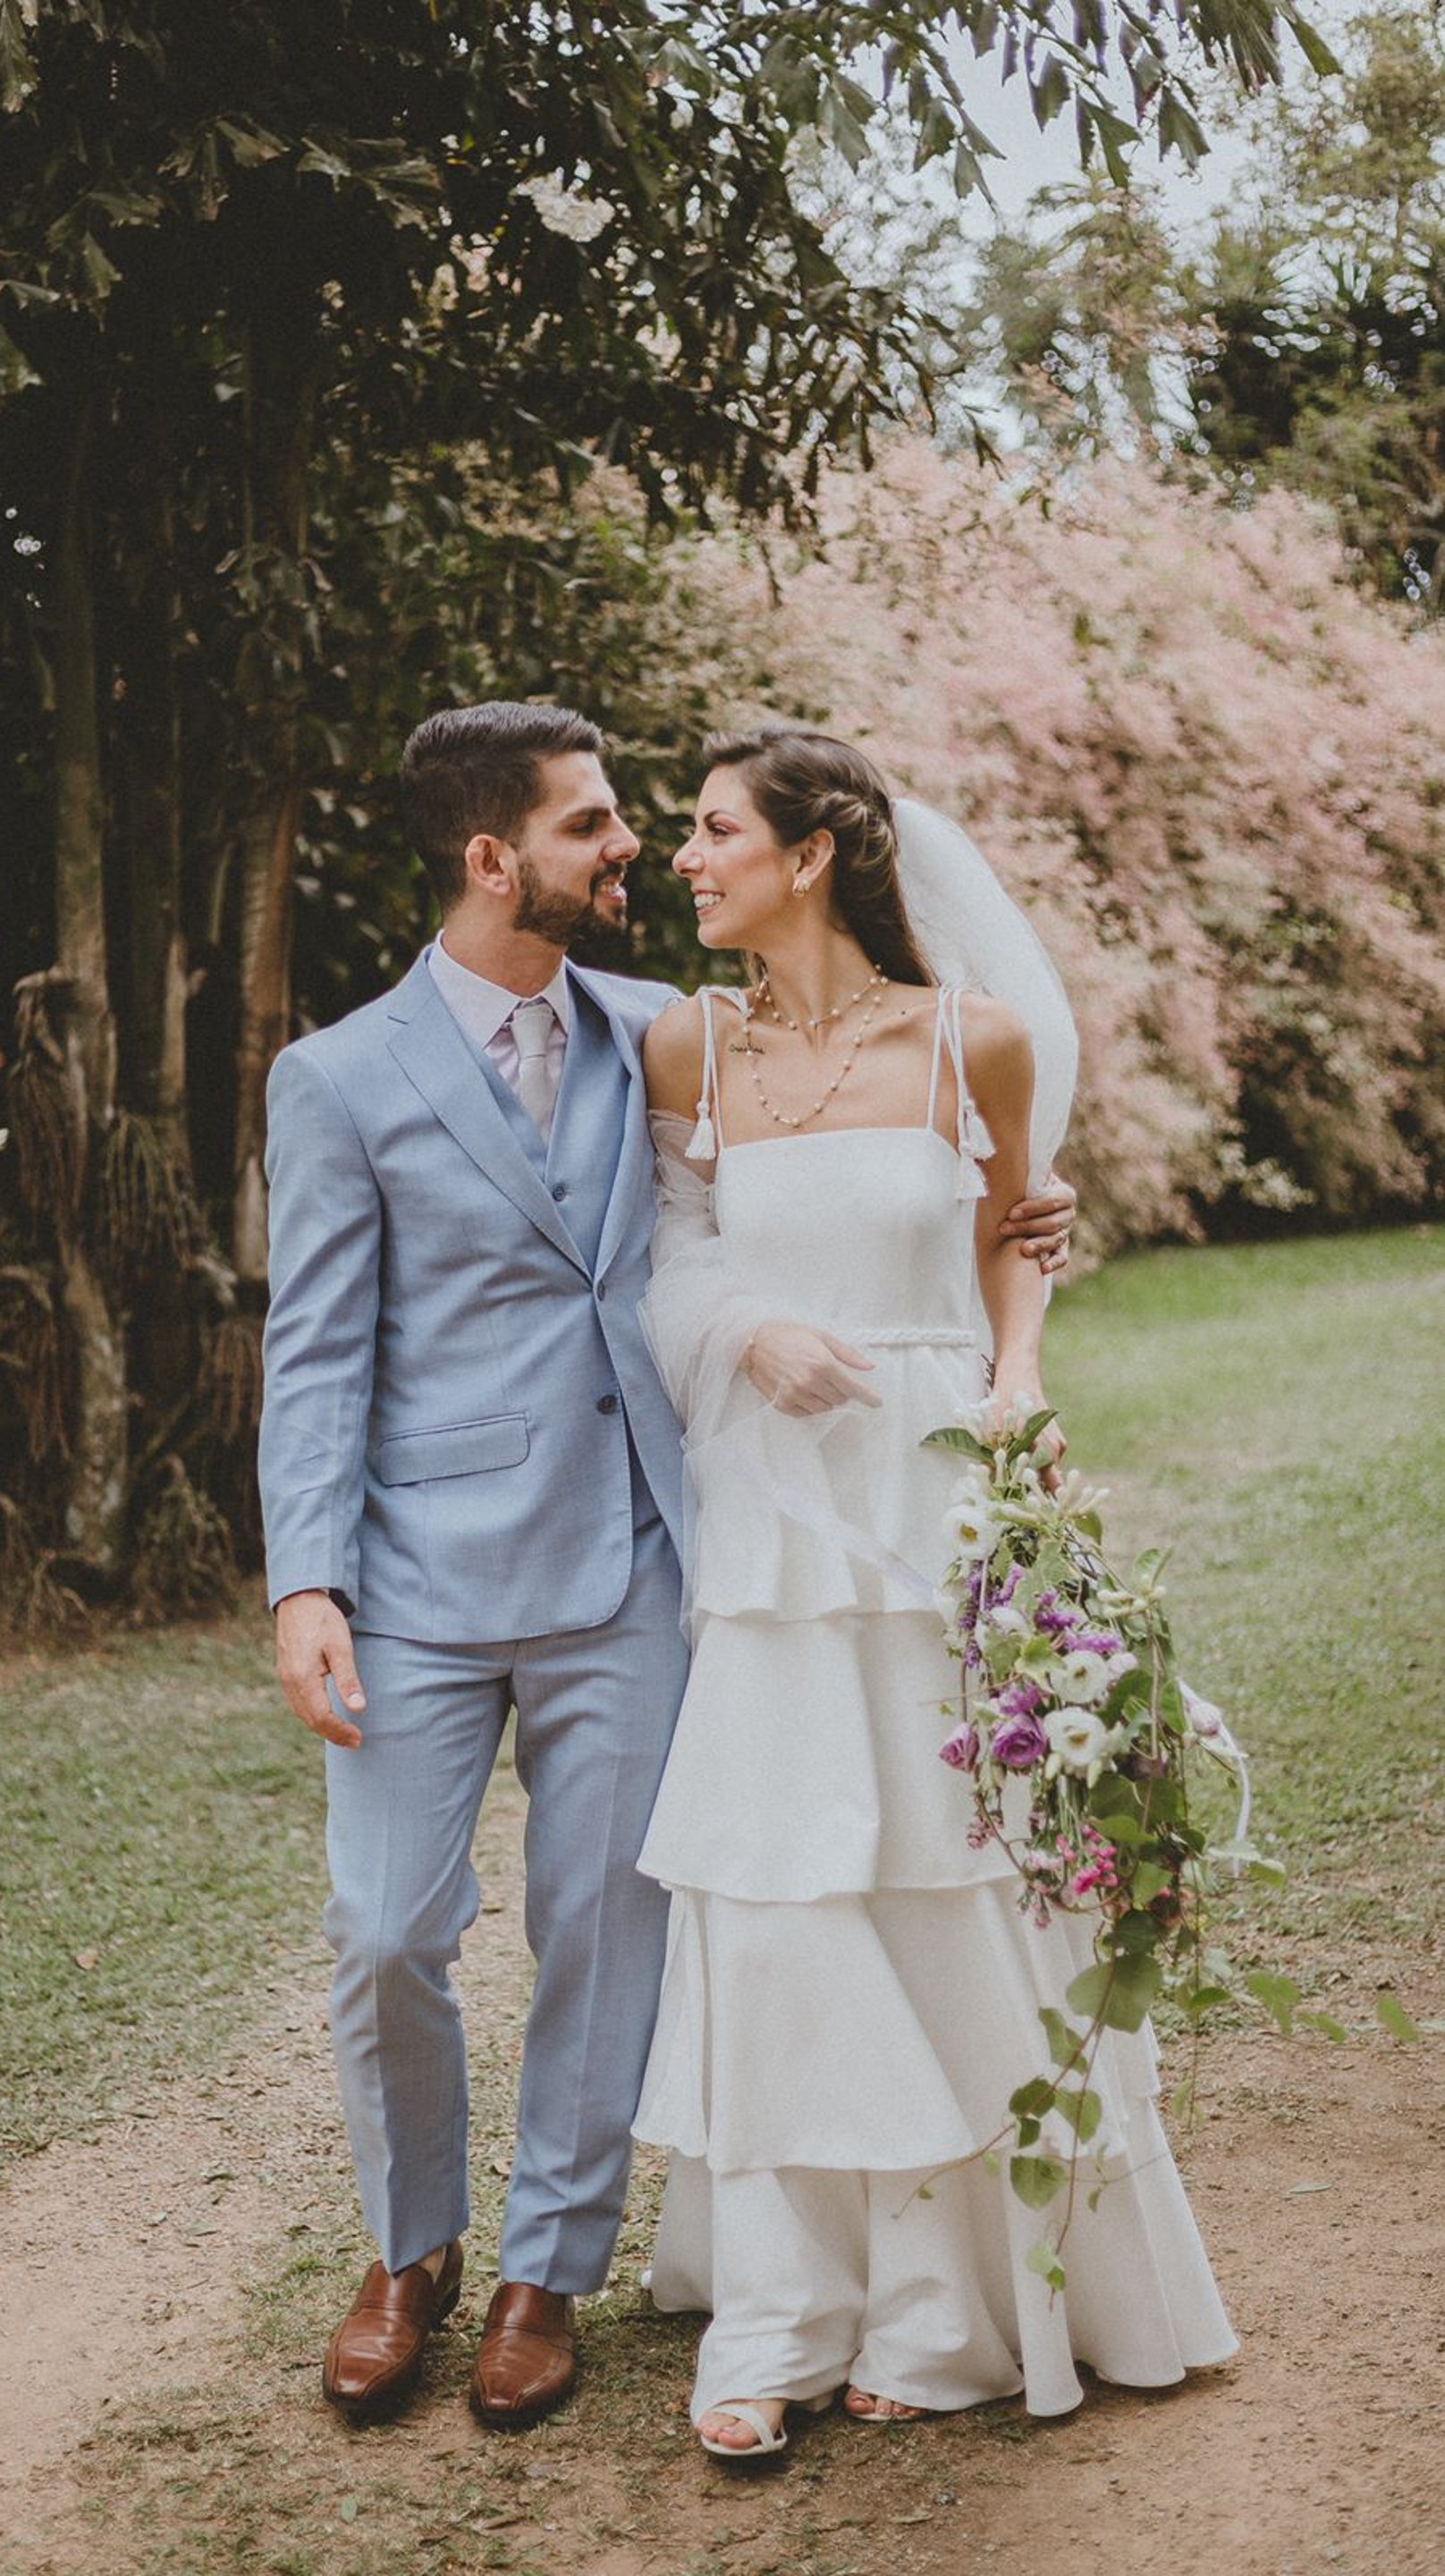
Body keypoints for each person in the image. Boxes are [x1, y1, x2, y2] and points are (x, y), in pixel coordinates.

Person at [258, 701, 1077, 2430]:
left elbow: (873, 1162)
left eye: (651, 823)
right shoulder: (336, 1075)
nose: (634, 849)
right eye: (593, 826)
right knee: (383, 1926)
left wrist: (1015, 1234)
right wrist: (305, 1582)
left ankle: (549, 2271)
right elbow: (315, 1351)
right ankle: (410, 2253)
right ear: (495, 859)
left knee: (605, 1928)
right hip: (412, 1577)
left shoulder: (669, 1037)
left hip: (637, 1561)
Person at [632, 726, 1236, 2458]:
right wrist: (748, 1329)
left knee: (943, 1879)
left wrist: (1018, 1372)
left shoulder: (973, 1040)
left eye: (713, 826)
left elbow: (1012, 1234)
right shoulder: (691, 1040)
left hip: (928, 1494)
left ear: (812, 851)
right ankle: (777, 2309)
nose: (687, 854)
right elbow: (671, 1260)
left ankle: (942, 2305)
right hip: (768, 1520)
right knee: (774, 1892)